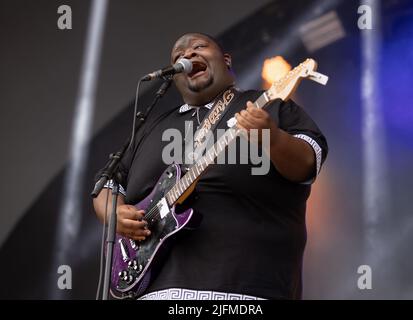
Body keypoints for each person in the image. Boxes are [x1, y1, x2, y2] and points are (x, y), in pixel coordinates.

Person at [93, 32, 328, 300]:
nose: (187, 55)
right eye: (178, 56)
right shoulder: (151, 127)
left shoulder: (268, 107)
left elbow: (309, 164)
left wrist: (272, 137)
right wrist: (114, 214)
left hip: (245, 291)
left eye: (198, 47)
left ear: (226, 60)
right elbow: (107, 184)